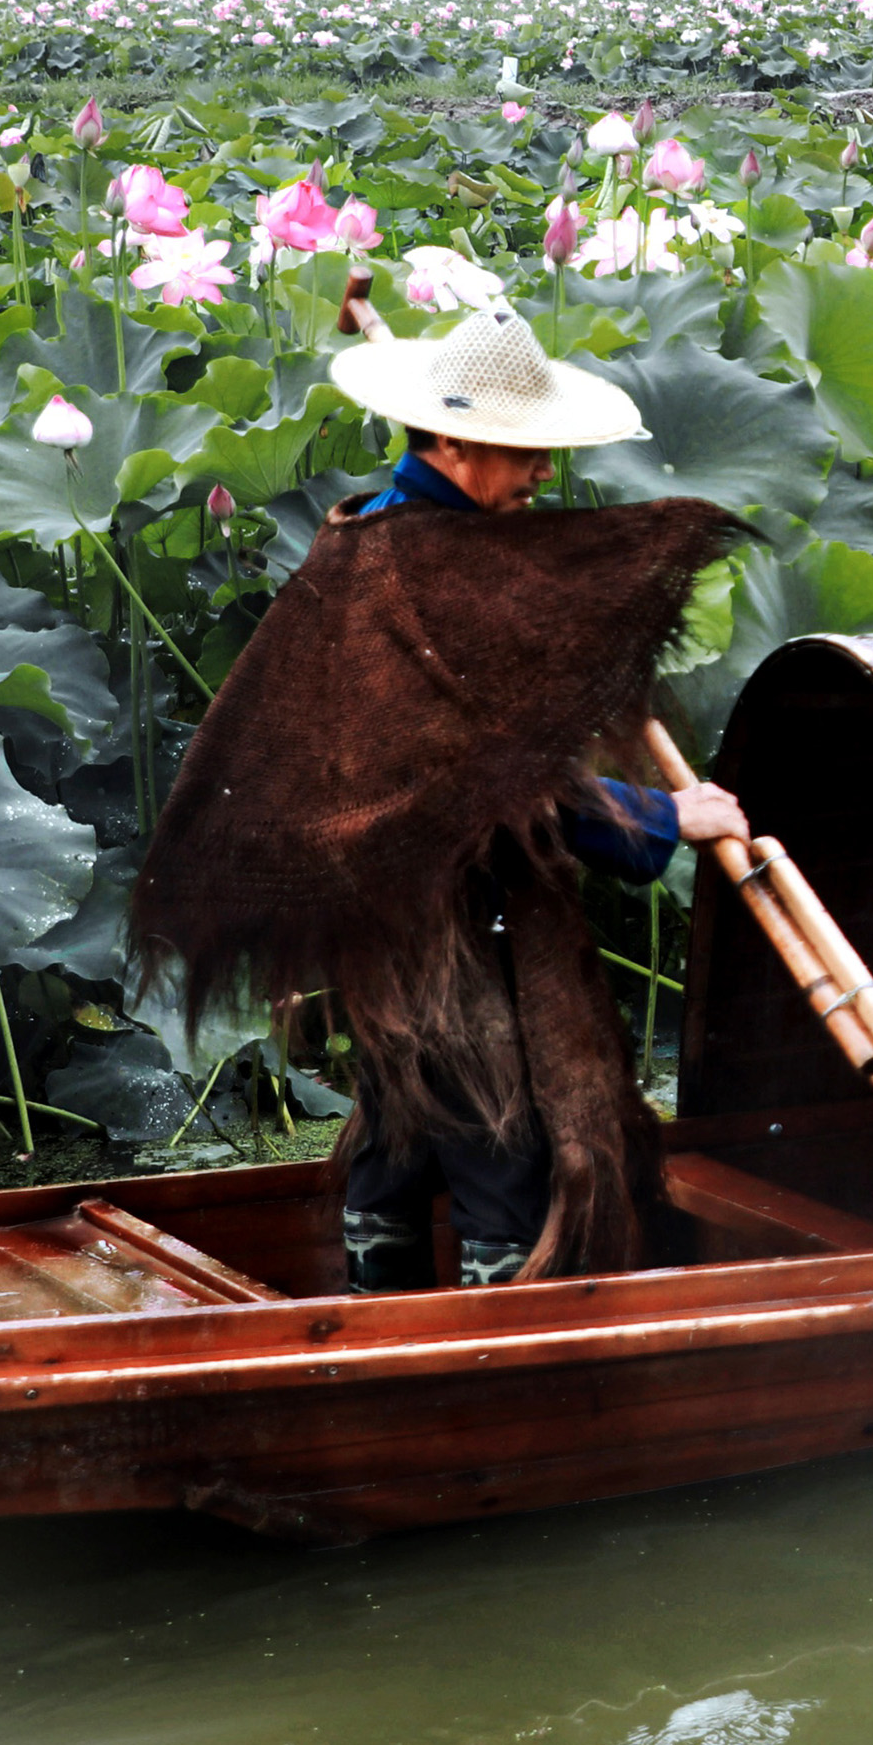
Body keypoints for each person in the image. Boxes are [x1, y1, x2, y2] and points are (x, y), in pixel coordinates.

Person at [135, 306, 750, 1293]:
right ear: (455, 443)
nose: (543, 477)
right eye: (523, 455)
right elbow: (497, 780)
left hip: (372, 932)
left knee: (397, 1132)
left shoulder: (369, 536)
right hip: (438, 935)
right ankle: (476, 1377)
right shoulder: (421, 578)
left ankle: (376, 1333)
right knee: (494, 1143)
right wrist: (670, 819)